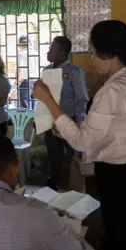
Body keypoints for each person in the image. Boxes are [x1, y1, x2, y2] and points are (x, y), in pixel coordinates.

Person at [33, 20, 126, 250]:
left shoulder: (114, 89)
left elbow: (83, 141)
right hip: (123, 168)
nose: (91, 58)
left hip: (121, 174)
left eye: (92, 52)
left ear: (109, 53)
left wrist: (47, 99)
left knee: (121, 234)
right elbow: (115, 130)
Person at [43, 36, 89, 191]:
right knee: (53, 155)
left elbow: (82, 99)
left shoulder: (74, 72)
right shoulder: (47, 71)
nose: (48, 53)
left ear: (62, 52)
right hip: (51, 121)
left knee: (73, 156)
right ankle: (53, 184)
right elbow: (44, 98)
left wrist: (80, 123)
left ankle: (74, 188)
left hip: (71, 121)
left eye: (51, 50)